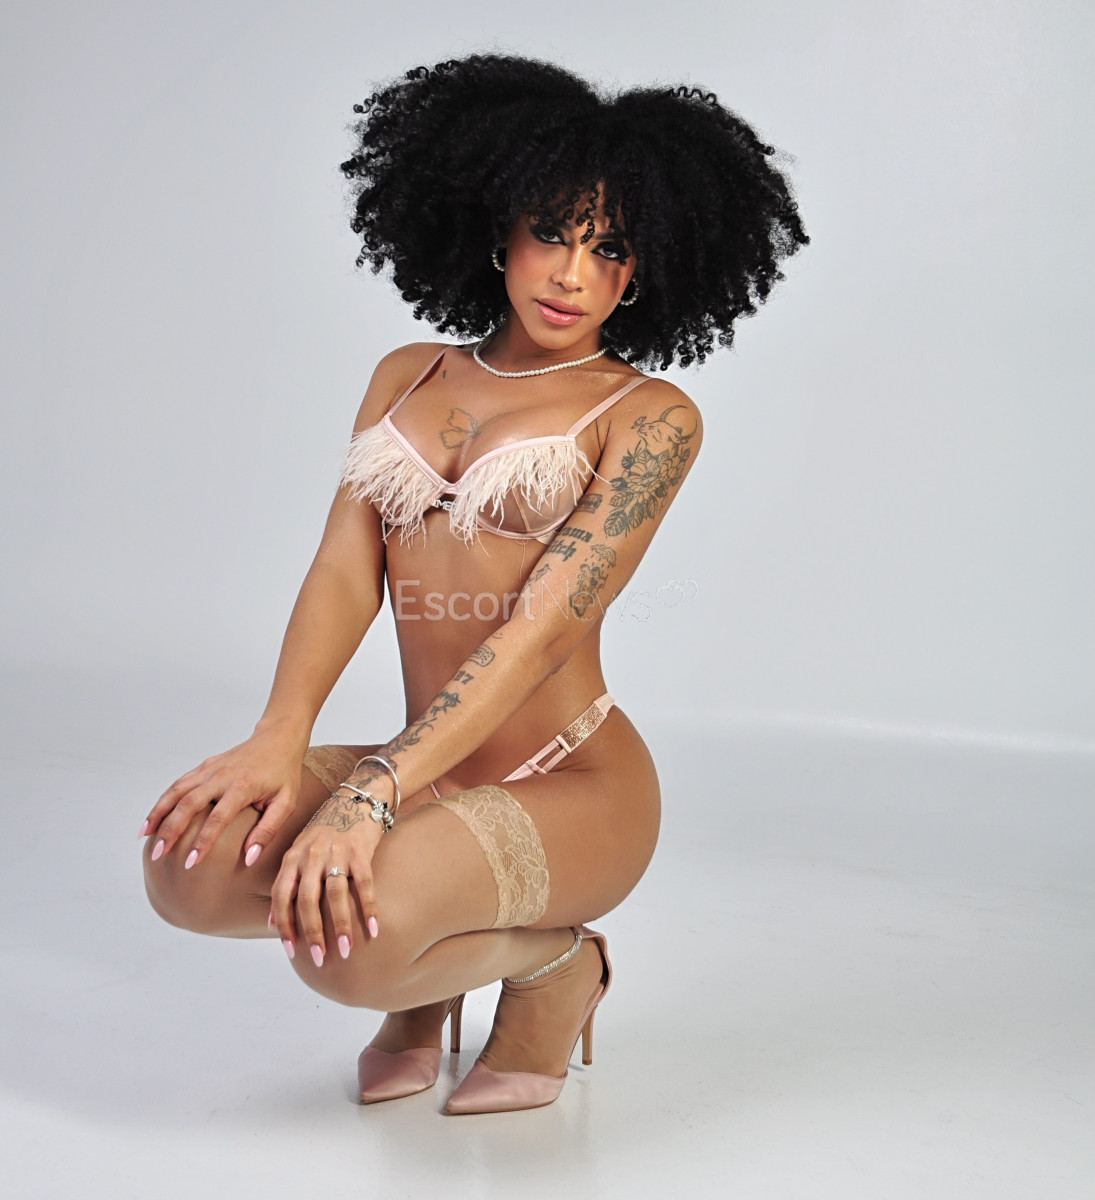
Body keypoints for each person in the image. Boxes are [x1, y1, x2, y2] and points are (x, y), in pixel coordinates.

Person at [139, 54, 808, 1114]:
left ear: (643, 270)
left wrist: (374, 789)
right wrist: (278, 735)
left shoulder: (649, 418)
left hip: (572, 781)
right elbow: (343, 569)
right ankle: (430, 970)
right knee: (192, 863)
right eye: (553, 231)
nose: (572, 274)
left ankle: (554, 971)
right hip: (431, 765)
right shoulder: (405, 375)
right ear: (500, 230)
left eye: (610, 247)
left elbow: (540, 635)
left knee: (348, 950)